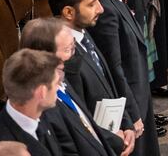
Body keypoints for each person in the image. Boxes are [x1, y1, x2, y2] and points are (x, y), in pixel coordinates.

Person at [83, 0, 161, 156]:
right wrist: (132, 114)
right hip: (131, 96)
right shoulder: (105, 8)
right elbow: (114, 66)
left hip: (138, 89)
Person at [50, 0, 148, 141]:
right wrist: (114, 140)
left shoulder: (83, 32)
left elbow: (108, 83)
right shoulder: (66, 61)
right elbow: (80, 120)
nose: (101, 9)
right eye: (92, 4)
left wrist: (126, 123)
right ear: (68, 12)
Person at [19, 18, 131, 156]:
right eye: (68, 49)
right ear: (44, 57)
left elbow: (86, 123)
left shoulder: (62, 79)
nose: (74, 54)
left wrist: (116, 140)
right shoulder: (43, 108)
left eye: (73, 46)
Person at [0, 49, 64, 154]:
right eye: (56, 83)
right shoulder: (3, 149)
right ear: (42, 92)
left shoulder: (39, 113)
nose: (58, 87)